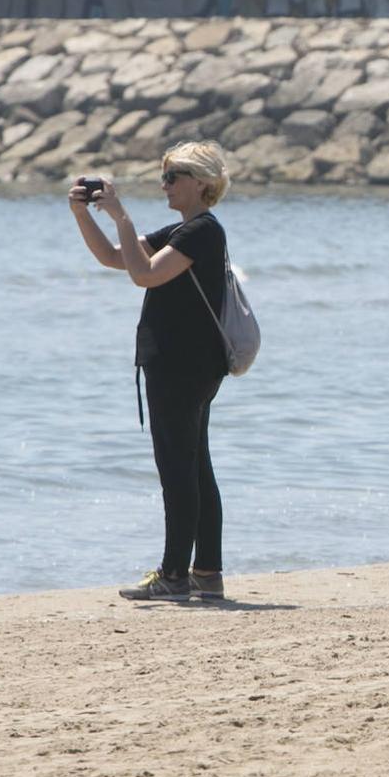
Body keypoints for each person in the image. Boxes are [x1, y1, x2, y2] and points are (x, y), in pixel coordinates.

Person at [68, 141, 233, 601]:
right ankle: (206, 573)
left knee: (177, 470)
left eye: (173, 177)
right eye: (164, 177)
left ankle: (174, 574)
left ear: (201, 183)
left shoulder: (202, 231)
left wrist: (121, 215)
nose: (165, 185)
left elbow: (145, 276)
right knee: (196, 467)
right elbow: (115, 258)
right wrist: (84, 214)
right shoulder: (186, 231)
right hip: (189, 365)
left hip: (183, 367)